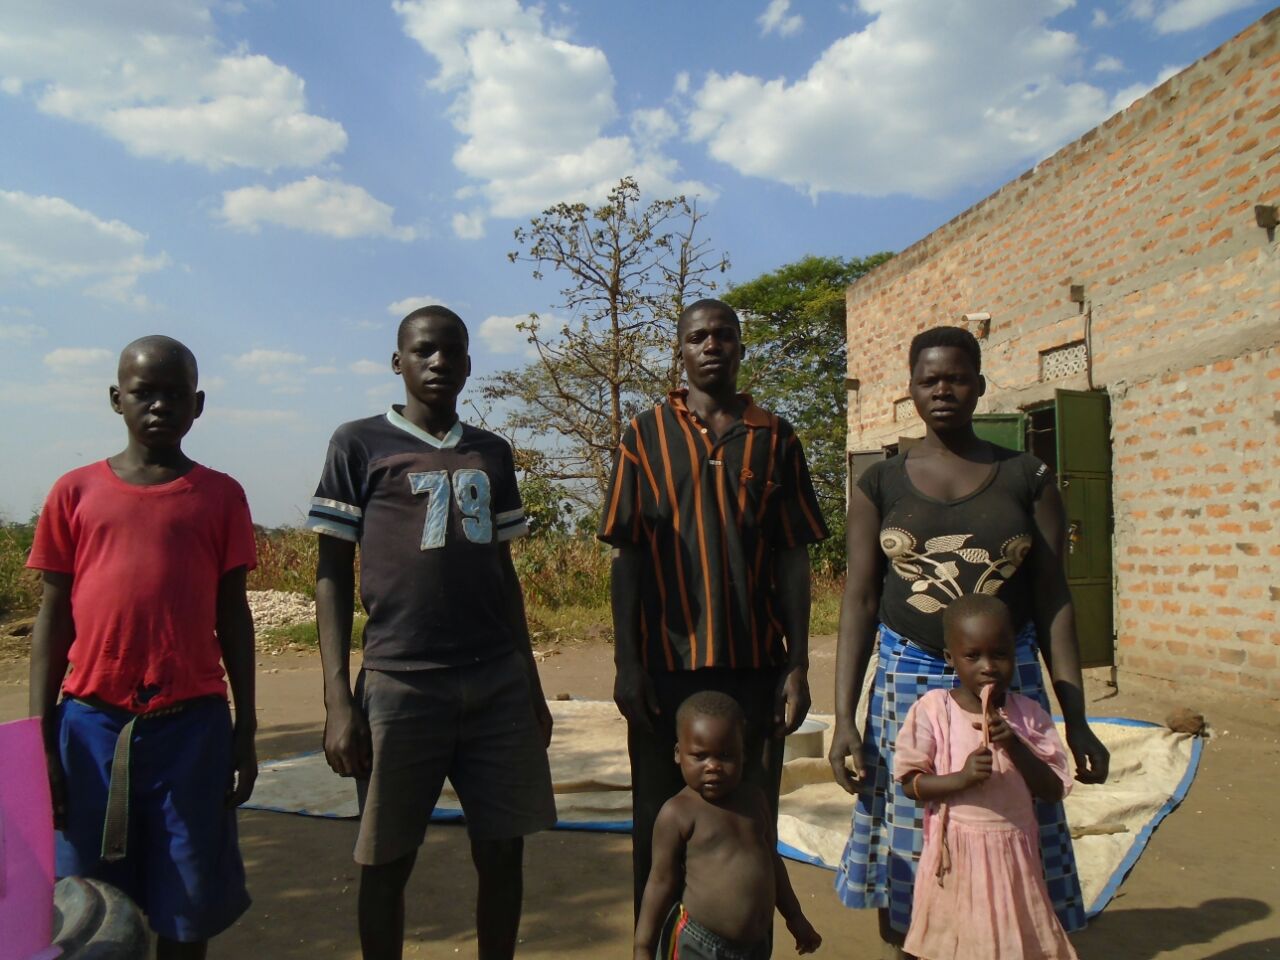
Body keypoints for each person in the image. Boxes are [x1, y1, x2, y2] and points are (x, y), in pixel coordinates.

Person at [828, 325, 1108, 953]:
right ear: (911, 391)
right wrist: (845, 717)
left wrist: (1078, 718)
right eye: (930, 380)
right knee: (910, 821)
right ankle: (915, 940)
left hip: (1007, 681)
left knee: (1016, 814)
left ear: (979, 386)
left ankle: (1015, 935)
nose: (944, 390)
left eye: (957, 377)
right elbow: (861, 599)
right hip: (906, 678)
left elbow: (1053, 596)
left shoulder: (1026, 476)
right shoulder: (880, 483)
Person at [309, 305, 556, 960]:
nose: (439, 361)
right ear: (399, 363)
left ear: (470, 363)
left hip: (495, 682)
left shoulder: (491, 453)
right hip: (399, 684)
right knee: (387, 862)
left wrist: (531, 689)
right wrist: (339, 700)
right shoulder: (358, 444)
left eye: (453, 351)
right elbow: (331, 574)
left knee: (503, 853)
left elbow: (505, 578)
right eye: (424, 350)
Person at [27, 336, 258, 960]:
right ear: (115, 399)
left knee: (187, 909)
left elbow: (233, 616)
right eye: (143, 392)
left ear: (198, 404)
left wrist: (246, 728)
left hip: (193, 730)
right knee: (90, 910)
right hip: (90, 729)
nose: (159, 405)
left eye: (175, 394)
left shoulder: (220, 496)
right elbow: (53, 621)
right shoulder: (74, 493)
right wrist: (41, 737)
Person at [599, 298, 829, 918]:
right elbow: (629, 557)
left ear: (741, 348)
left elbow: (792, 557)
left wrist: (799, 664)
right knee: (659, 826)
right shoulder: (644, 435)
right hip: (663, 669)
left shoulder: (774, 435)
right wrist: (626, 663)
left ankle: (743, 945)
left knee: (750, 825)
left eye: (724, 335)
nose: (712, 345)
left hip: (755, 667)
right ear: (681, 348)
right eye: (698, 336)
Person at [896, 594, 1078, 960]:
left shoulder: (1028, 716)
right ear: (950, 658)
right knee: (957, 940)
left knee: (1014, 940)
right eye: (973, 656)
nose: (988, 667)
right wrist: (960, 779)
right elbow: (910, 783)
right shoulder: (934, 711)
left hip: (1013, 857)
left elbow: (1054, 788)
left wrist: (1015, 745)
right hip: (957, 856)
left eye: (1000, 654)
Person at [634, 691, 823, 960]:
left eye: (725, 755)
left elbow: (771, 860)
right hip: (700, 945)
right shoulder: (678, 813)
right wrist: (643, 947)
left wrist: (795, 917)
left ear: (743, 754)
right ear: (678, 754)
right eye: (700, 756)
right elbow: (660, 882)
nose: (713, 766)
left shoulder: (755, 800)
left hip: (755, 947)